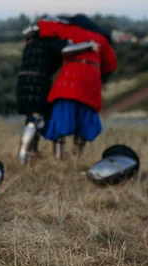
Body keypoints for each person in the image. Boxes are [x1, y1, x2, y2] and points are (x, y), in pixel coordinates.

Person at [24, 15, 118, 159]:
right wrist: (102, 79)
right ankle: (77, 156)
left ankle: (58, 157)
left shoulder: (69, 28)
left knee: (62, 115)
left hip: (70, 77)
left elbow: (39, 29)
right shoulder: (102, 38)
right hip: (91, 79)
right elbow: (111, 64)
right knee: (85, 116)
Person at [17, 30, 99, 164]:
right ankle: (24, 153)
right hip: (39, 81)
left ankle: (31, 151)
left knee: (32, 117)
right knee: (36, 118)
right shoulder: (50, 43)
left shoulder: (30, 45)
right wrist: (88, 46)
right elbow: (66, 50)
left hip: (23, 80)